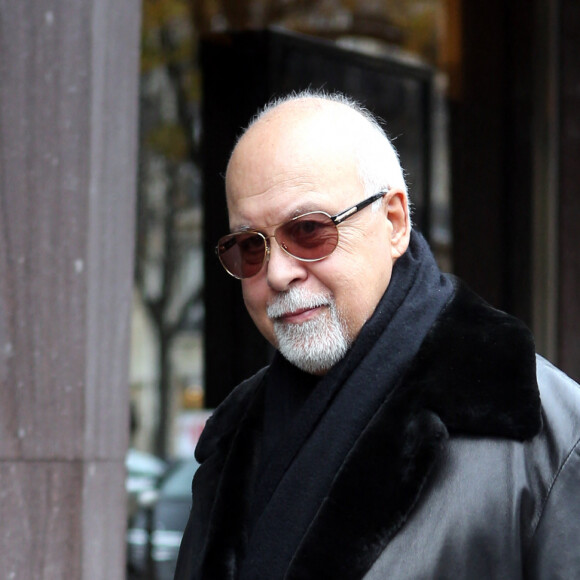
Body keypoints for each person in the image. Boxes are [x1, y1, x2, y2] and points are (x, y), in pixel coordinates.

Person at [174, 91, 580, 579]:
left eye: (308, 230)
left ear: (394, 222)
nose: (279, 273)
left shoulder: (544, 434)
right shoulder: (233, 437)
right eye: (249, 248)